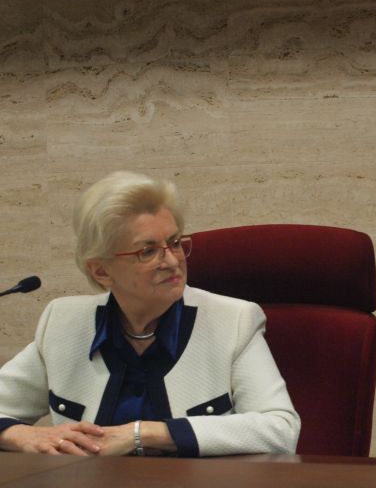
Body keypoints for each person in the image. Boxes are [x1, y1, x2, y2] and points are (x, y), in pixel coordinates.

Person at [0, 171, 300, 457]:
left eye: (174, 243)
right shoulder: (63, 323)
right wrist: (22, 435)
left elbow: (280, 430)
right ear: (101, 271)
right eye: (148, 251)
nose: (172, 261)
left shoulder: (233, 321)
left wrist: (143, 434)